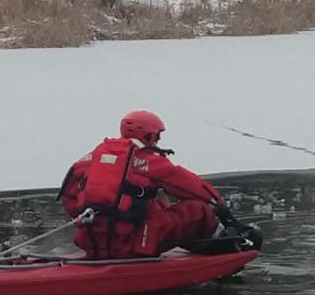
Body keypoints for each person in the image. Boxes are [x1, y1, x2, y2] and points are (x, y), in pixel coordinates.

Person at [59, 110, 262, 259]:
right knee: (196, 210)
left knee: (158, 207)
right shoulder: (149, 160)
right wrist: (224, 212)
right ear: (148, 135)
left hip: (92, 243)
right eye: (156, 135)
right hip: (132, 246)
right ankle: (228, 247)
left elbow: (68, 195)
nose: (157, 140)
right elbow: (192, 187)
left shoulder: (95, 156)